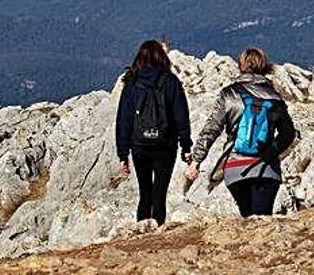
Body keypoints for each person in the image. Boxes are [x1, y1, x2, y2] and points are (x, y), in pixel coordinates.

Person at [187, 47, 296, 217]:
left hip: (235, 169)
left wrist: (196, 160)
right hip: (266, 170)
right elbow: (288, 134)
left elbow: (212, 129)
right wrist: (271, 153)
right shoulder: (275, 98)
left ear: (241, 66)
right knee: (262, 220)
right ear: (265, 66)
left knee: (246, 217)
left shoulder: (229, 95)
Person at [115, 40, 192, 225]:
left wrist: (123, 154)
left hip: (140, 145)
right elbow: (181, 115)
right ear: (161, 57)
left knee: (145, 192)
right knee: (160, 193)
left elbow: (124, 120)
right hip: (165, 144)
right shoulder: (171, 81)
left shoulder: (131, 83)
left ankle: (141, 230)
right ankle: (158, 229)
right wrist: (186, 146)